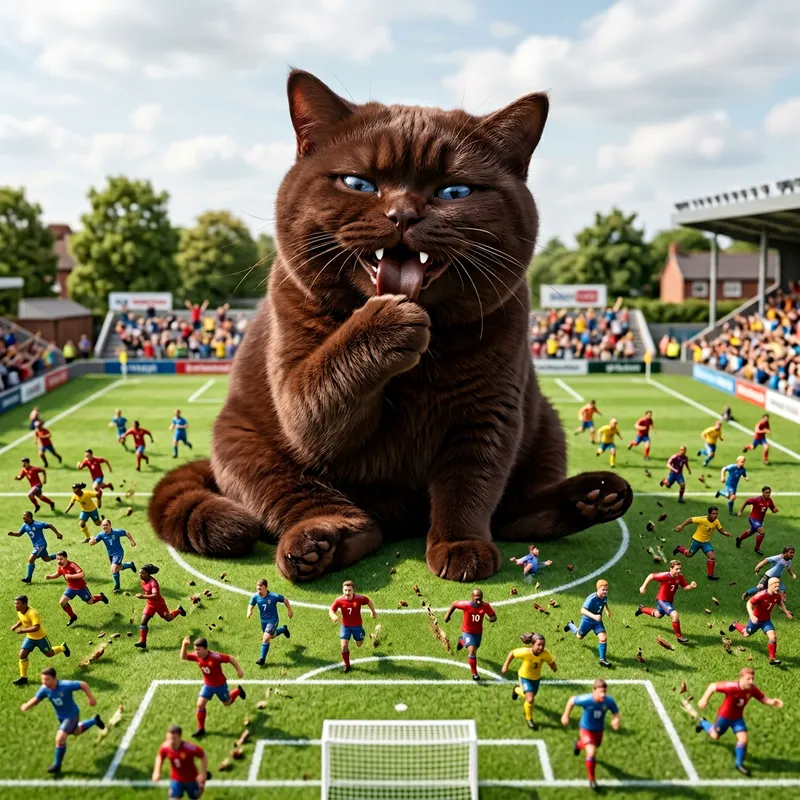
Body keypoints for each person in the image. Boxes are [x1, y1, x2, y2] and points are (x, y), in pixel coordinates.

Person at [695, 667, 783, 775]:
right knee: (715, 735)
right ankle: (703, 723)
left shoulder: (752, 689)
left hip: (737, 718)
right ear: (741, 678)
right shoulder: (731, 687)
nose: (751, 681)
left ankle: (739, 764)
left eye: (752, 679)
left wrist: (773, 702)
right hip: (724, 717)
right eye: (748, 679)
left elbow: (763, 699)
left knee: (743, 739)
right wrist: (704, 699)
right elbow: (712, 686)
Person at [20, 667, 104, 774]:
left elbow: (83, 684)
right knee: (76, 731)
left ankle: (57, 765)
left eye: (47, 679)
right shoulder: (44, 689)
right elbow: (36, 700)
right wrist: (26, 706)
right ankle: (94, 721)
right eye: (42, 679)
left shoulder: (65, 685)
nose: (44, 682)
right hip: (61, 717)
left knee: (60, 738)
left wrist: (91, 698)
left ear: (54, 678)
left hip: (72, 715)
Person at [180, 636, 246, 739]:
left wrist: (239, 670)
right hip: (208, 685)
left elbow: (230, 658)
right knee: (200, 704)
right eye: (195, 649)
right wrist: (184, 645)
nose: (196, 652)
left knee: (227, 703)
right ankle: (201, 729)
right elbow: (183, 657)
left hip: (220, 685)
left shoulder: (215, 657)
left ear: (205, 649)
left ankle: (238, 691)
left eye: (199, 650)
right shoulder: (197, 656)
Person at [561, 678, 620, 790]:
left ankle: (578, 745)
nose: (603, 695)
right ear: (594, 690)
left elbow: (615, 713)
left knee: (595, 745)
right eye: (600, 692)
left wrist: (616, 720)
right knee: (591, 753)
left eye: (605, 692)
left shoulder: (608, 701)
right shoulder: (587, 699)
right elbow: (572, 700)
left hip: (599, 730)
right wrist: (565, 715)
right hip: (586, 729)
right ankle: (592, 780)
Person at [728, 577, 793, 666]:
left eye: (778, 586)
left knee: (773, 637)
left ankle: (772, 659)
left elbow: (780, 602)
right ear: (770, 585)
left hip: (766, 621)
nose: (778, 588)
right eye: (776, 586)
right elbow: (749, 603)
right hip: (755, 620)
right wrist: (752, 616)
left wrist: (786, 612)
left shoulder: (777, 595)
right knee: (746, 634)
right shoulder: (761, 595)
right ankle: (735, 624)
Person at [501, 632, 557, 729]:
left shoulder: (545, 654)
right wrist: (505, 665)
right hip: (524, 677)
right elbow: (512, 653)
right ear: (532, 644)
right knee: (530, 699)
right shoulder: (526, 652)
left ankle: (516, 690)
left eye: (543, 645)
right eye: (539, 645)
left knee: (531, 696)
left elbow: (551, 661)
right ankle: (529, 719)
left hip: (536, 679)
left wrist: (553, 667)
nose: (541, 647)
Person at [11, 596, 69, 686]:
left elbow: (36, 627)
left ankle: (63, 647)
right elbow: (22, 619)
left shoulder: (33, 613)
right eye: (15, 603)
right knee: (22, 655)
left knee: (49, 654)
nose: (15, 606)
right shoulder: (20, 611)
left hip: (40, 638)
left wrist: (22, 630)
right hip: (30, 638)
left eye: (18, 604)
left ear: (25, 604)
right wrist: (16, 625)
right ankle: (23, 678)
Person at [636, 560, 697, 643]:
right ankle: (679, 637)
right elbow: (651, 576)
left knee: (658, 615)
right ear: (670, 569)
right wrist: (643, 587)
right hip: (662, 600)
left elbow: (685, 587)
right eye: (676, 569)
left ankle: (642, 609)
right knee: (675, 615)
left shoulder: (680, 577)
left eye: (680, 569)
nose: (679, 571)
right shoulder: (665, 576)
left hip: (669, 601)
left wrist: (691, 586)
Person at [444, 588, 497, 681]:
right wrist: (448, 615)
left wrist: (490, 619)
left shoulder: (485, 606)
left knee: (475, 647)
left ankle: (461, 641)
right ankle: (475, 674)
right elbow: (455, 603)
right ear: (472, 598)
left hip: (478, 632)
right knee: (472, 651)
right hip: (467, 631)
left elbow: (494, 616)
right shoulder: (466, 605)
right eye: (476, 598)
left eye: (480, 598)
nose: (478, 601)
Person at [46, 552, 108, 624]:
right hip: (71, 588)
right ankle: (73, 616)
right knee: (62, 602)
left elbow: (82, 574)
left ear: (66, 558)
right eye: (57, 559)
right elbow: (58, 574)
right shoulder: (60, 567)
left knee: (90, 602)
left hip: (81, 588)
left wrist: (70, 576)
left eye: (61, 559)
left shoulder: (72, 565)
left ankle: (100, 597)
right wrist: (50, 577)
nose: (59, 561)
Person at [673, 506, 732, 581]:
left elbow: (720, 530)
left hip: (706, 543)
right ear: (709, 514)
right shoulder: (702, 520)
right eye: (713, 514)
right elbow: (690, 519)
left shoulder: (716, 522)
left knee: (712, 557)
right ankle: (679, 548)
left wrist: (726, 533)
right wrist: (681, 526)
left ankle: (710, 576)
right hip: (696, 541)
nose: (715, 515)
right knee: (689, 555)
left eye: (716, 514)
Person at [329, 580, 376, 673]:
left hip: (357, 626)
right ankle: (347, 665)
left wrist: (373, 611)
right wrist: (333, 616)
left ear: (353, 590)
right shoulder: (339, 600)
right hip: (345, 627)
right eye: (345, 590)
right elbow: (331, 610)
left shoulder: (359, 599)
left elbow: (368, 601)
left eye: (349, 590)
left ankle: (361, 634)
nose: (347, 592)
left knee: (359, 644)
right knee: (343, 646)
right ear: (343, 590)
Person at [135, 564, 185, 649]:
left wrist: (142, 596)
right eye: (139, 573)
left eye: (142, 573)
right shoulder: (143, 581)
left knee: (169, 618)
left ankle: (179, 610)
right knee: (143, 622)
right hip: (150, 604)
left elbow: (156, 595)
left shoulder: (153, 583)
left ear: (147, 574)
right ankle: (143, 642)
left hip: (159, 605)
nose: (140, 575)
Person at [564, 580, 611, 667]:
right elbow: (582, 610)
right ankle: (570, 624)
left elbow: (605, 603)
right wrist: (594, 616)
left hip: (597, 622)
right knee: (579, 637)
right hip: (587, 621)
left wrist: (607, 611)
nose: (605, 592)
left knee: (603, 638)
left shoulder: (604, 597)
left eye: (606, 590)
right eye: (603, 590)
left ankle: (602, 659)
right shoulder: (591, 599)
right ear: (597, 589)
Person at [153, 724, 209, 799]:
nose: (171, 741)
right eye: (168, 738)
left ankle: (200, 788)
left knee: (196, 796)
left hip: (192, 779)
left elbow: (203, 755)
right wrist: (156, 771)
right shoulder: (165, 747)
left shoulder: (189, 748)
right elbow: (160, 757)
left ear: (180, 737)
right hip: (176, 780)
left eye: (173, 738)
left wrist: (203, 773)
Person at [8, 510, 63, 583]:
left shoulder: (38, 524)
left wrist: (57, 534)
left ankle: (28, 578)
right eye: (23, 517)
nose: (23, 519)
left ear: (30, 517)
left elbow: (49, 525)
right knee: (46, 559)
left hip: (41, 545)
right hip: (37, 546)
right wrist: (13, 534)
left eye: (25, 517)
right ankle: (59, 555)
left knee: (31, 560)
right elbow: (19, 534)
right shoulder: (25, 525)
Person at [247, 578, 293, 666]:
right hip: (263, 621)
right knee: (271, 636)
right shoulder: (255, 597)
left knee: (266, 638)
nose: (258, 591)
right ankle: (283, 629)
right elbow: (251, 605)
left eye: (260, 589)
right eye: (257, 589)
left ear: (266, 587)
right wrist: (249, 611)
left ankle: (262, 659)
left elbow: (285, 600)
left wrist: (289, 611)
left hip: (273, 620)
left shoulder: (273, 596)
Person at [89, 518, 137, 592]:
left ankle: (117, 587)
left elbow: (126, 532)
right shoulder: (101, 535)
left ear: (110, 525)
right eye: (103, 525)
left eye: (106, 525)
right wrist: (91, 540)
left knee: (114, 569)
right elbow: (93, 542)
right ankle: (130, 565)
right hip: (110, 555)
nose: (105, 527)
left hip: (118, 553)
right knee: (118, 568)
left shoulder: (116, 532)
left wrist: (132, 541)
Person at [736, 487, 778, 555]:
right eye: (766, 492)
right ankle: (757, 548)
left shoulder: (769, 500)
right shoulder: (756, 499)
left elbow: (773, 509)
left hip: (760, 521)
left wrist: (775, 510)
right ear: (762, 492)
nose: (768, 494)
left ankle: (739, 539)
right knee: (762, 531)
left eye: (769, 492)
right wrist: (740, 511)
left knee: (751, 531)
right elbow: (746, 502)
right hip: (753, 519)